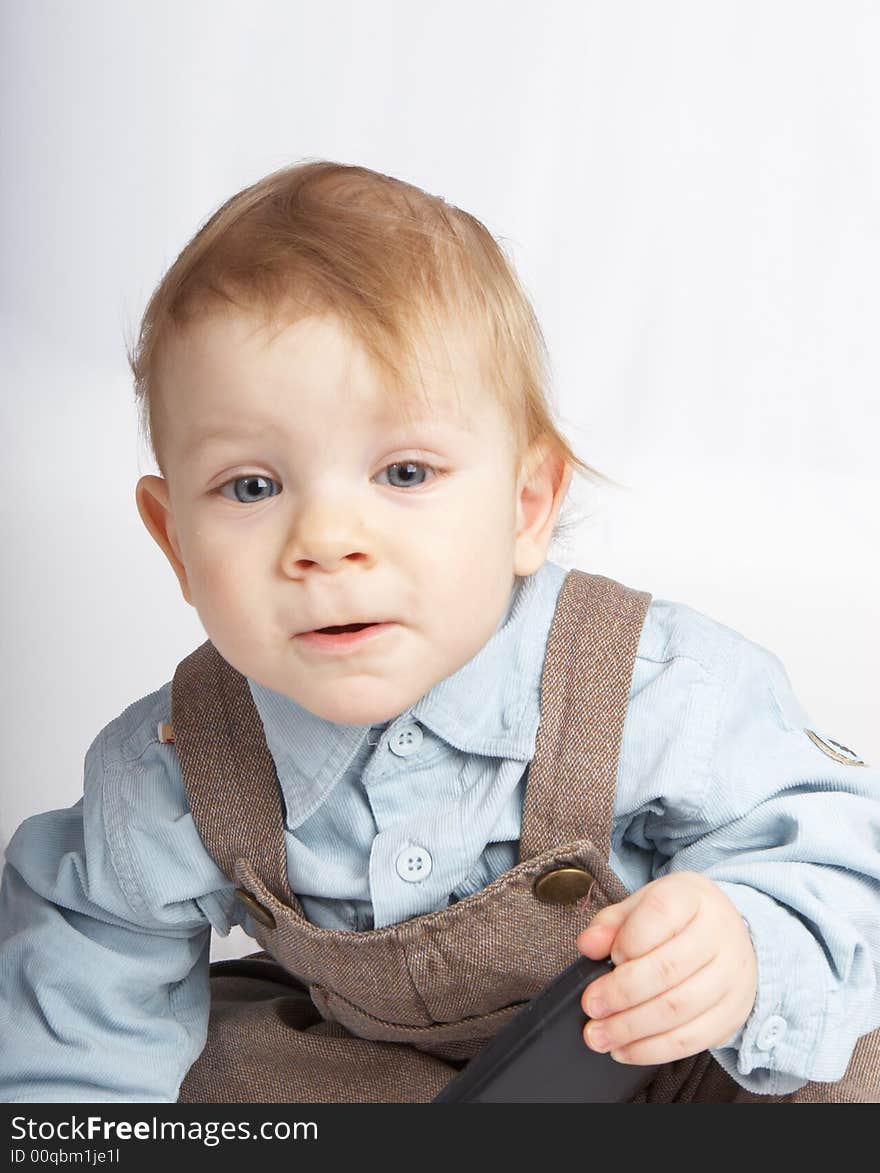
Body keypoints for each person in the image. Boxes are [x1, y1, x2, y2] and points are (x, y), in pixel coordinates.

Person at [1, 160, 878, 1103]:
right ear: (175, 539)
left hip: (657, 1062)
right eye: (252, 486)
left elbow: (837, 838)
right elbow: (83, 988)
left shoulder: (649, 685)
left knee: (844, 1061)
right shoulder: (180, 763)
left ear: (525, 505)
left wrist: (743, 939)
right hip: (379, 1080)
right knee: (214, 1071)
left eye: (405, 473)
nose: (327, 543)